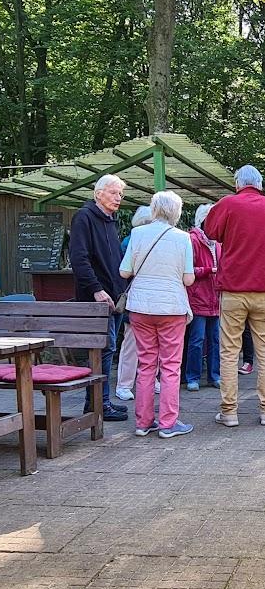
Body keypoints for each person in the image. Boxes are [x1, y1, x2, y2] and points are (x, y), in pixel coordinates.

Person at [120, 191, 195, 438]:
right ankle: (168, 423)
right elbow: (188, 278)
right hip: (171, 308)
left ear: (153, 210)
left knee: (146, 365)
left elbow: (124, 272)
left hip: (140, 307)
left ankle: (143, 422)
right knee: (171, 366)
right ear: (177, 212)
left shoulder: (138, 234)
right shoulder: (183, 238)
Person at [205, 164, 265, 427]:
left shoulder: (228, 204)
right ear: (260, 184)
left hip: (232, 290)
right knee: (264, 353)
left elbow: (210, 232)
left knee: (229, 352)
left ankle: (229, 412)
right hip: (264, 290)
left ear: (238, 183)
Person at [69, 174, 129, 421]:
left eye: (120, 194)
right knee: (103, 350)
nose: (118, 198)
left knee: (107, 350)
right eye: (114, 193)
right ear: (99, 193)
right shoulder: (84, 218)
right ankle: (98, 404)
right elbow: (79, 258)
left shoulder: (110, 221)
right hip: (96, 299)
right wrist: (95, 289)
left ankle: (100, 402)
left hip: (114, 298)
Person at [116, 205, 153, 401]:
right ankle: (127, 384)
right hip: (142, 299)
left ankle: (125, 384)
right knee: (140, 344)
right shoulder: (132, 241)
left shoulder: (128, 241)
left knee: (131, 343)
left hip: (136, 299)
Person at [184, 204, 220, 392]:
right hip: (199, 299)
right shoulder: (193, 240)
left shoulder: (218, 242)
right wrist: (208, 271)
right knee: (197, 340)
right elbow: (187, 270)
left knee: (215, 340)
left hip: (215, 299)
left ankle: (215, 376)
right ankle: (193, 377)